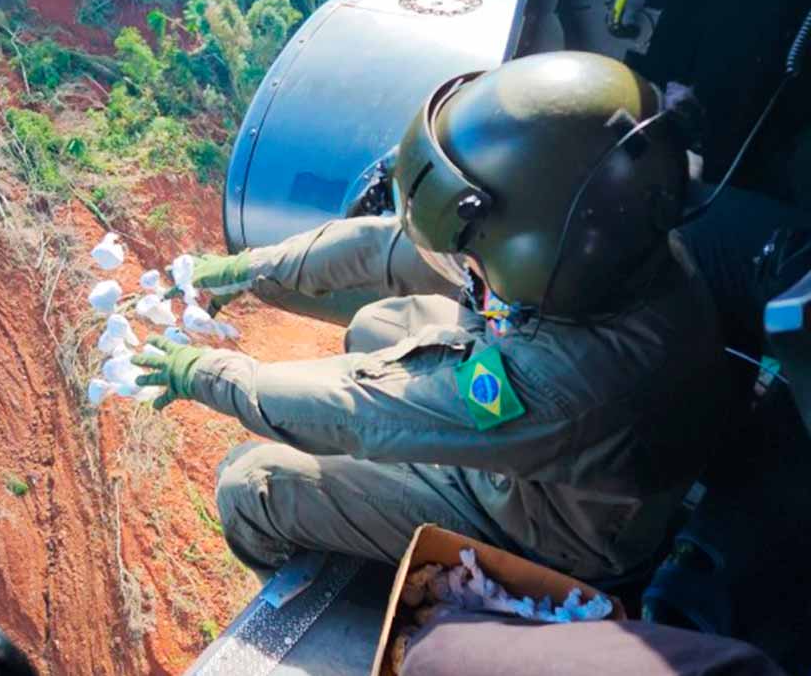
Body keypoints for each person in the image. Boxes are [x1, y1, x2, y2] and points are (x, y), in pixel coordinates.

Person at [133, 51, 726, 583]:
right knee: (377, 326)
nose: (461, 258)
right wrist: (248, 269)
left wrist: (205, 373)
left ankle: (341, 584)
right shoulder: (597, 252)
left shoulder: (571, 380)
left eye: (474, 247)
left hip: (545, 528)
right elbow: (387, 247)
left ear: (530, 251)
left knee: (253, 484)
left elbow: (358, 412)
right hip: (555, 452)